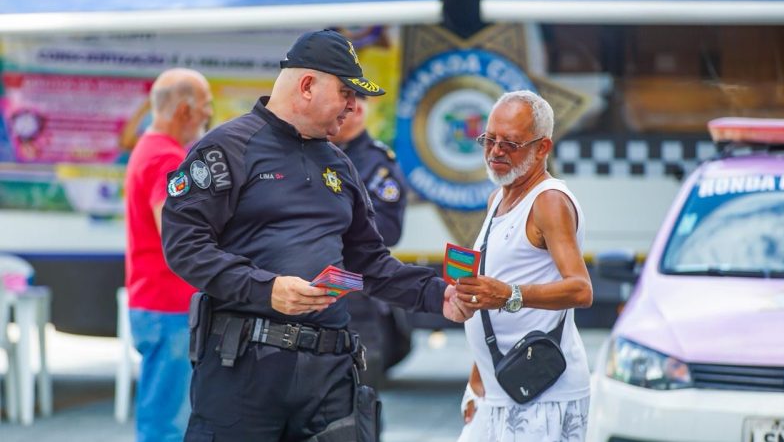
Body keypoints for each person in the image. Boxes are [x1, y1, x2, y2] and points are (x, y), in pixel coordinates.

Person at [160, 29, 469, 441]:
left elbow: (367, 262)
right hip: (245, 372)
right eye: (345, 92)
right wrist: (266, 288)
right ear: (307, 85)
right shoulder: (226, 150)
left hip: (329, 374)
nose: (352, 106)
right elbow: (185, 246)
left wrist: (437, 294)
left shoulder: (340, 164)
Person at [453, 90, 593, 442]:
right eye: (490, 139)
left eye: (511, 144)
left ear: (542, 148)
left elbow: (580, 288)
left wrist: (508, 295)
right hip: (498, 389)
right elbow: (492, 309)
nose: (496, 151)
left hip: (542, 392)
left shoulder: (549, 202)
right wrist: (477, 381)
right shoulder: (497, 197)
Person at [124, 67, 213, 442]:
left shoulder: (148, 148)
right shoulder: (166, 159)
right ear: (184, 112)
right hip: (169, 307)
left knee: (164, 415)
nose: (209, 116)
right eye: (206, 108)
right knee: (167, 426)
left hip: (154, 303)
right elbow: (177, 235)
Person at [329, 94, 410, 387]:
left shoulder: (377, 164)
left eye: (343, 108)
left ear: (359, 110)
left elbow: (389, 229)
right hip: (314, 291)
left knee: (359, 394)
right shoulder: (317, 152)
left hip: (356, 294)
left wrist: (335, 223)